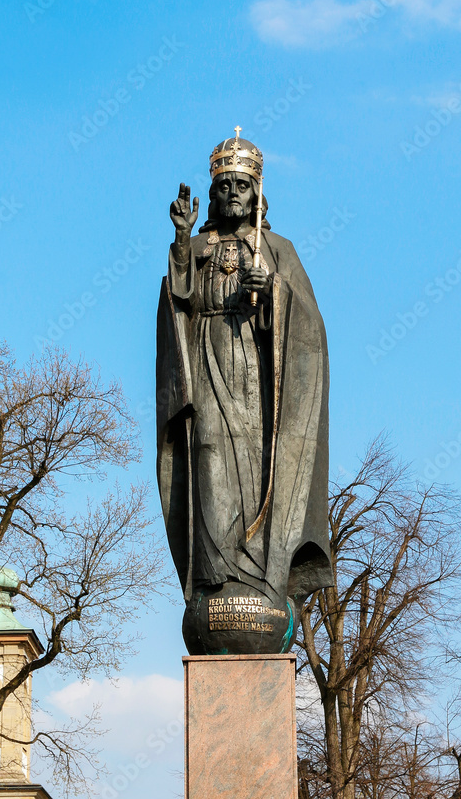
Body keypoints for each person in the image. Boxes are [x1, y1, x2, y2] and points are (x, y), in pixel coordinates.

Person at [156, 131, 333, 654]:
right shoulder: (195, 246)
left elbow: (311, 335)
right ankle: (217, 578)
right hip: (208, 363)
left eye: (242, 185)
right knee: (207, 451)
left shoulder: (277, 249)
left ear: (257, 194)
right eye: (225, 185)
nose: (233, 193)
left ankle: (259, 576)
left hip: (259, 377)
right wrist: (181, 246)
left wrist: (271, 293)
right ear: (214, 194)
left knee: (257, 472)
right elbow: (178, 305)